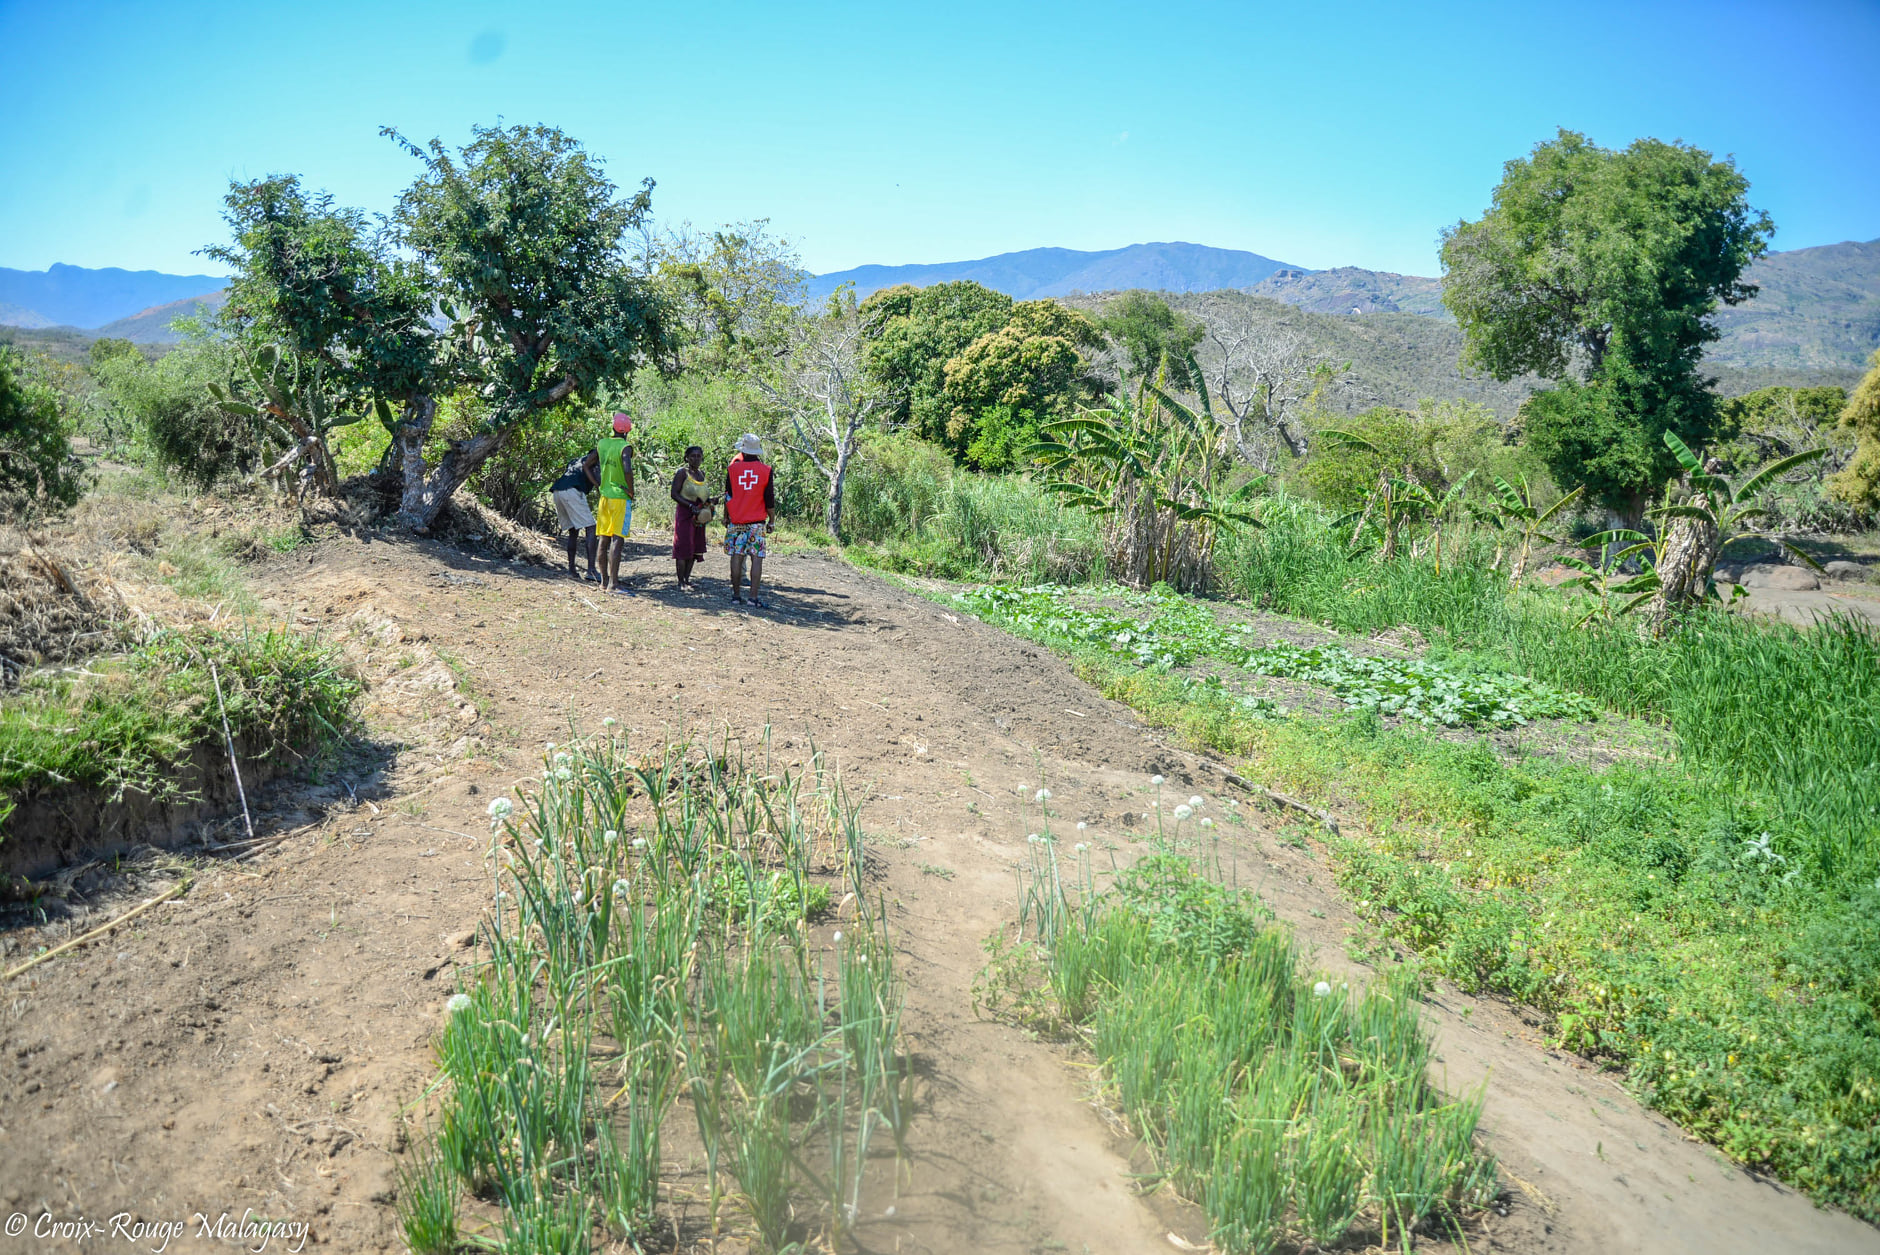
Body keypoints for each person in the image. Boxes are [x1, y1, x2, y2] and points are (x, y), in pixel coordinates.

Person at [723, 432, 774, 607]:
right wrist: (772, 520)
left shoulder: (732, 470)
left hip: (736, 521)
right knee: (756, 558)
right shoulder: (766, 471)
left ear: (742, 451)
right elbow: (770, 499)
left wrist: (725, 517)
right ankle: (753, 598)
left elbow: (727, 496)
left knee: (736, 556)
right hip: (756, 523)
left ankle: (736, 596)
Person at [593, 413, 637, 595]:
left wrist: (599, 485)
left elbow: (589, 464)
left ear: (613, 428)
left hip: (605, 498)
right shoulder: (625, 447)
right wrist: (630, 489)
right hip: (620, 497)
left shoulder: (602, 443)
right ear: (627, 431)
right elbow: (627, 468)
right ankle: (614, 584)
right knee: (617, 540)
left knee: (603, 539)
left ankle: (603, 582)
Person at [669, 445, 716, 591]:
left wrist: (710, 502)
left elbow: (703, 496)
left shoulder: (701, 474)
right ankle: (680, 581)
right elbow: (674, 494)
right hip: (685, 513)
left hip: (699, 515)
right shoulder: (682, 473)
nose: (696, 459)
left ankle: (687, 579)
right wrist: (690, 506)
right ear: (687, 458)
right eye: (692, 456)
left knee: (694, 547)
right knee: (683, 546)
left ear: (702, 458)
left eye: (698, 456)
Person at [549, 449, 600, 582]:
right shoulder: (595, 459)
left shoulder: (574, 461)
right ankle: (591, 570)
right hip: (573, 491)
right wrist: (598, 485)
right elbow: (597, 478)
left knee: (573, 530)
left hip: (558, 491)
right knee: (591, 527)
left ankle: (571, 570)